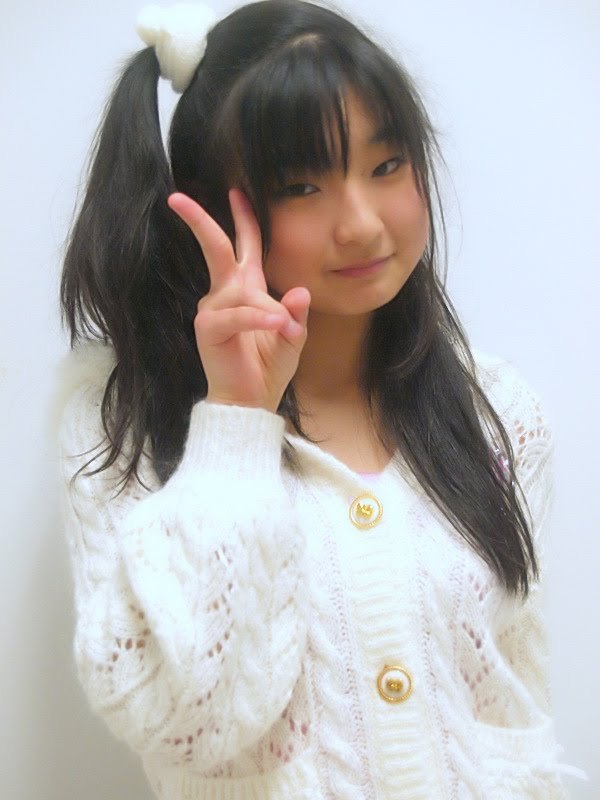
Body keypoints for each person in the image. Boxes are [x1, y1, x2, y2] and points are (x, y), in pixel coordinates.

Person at [57, 1, 585, 797]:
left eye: (387, 165)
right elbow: (187, 720)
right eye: (302, 184)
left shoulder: (497, 412)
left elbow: (514, 711)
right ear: (211, 205)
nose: (363, 224)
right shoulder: (119, 431)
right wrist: (235, 426)